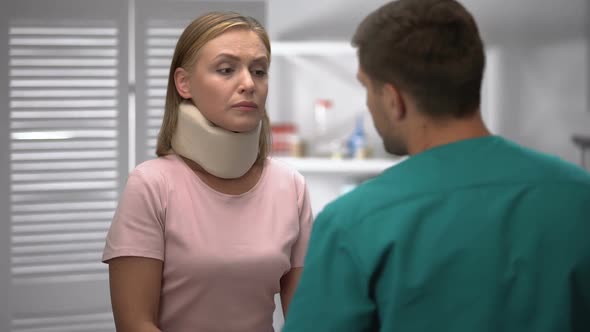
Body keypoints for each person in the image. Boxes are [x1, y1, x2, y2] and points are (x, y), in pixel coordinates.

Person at [282, 0, 590, 331]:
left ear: (392, 99)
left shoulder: (353, 223)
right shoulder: (579, 197)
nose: (368, 104)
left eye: (366, 88)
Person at [102, 12, 313, 332]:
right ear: (184, 83)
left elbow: (306, 320)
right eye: (226, 70)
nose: (248, 84)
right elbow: (135, 324)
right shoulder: (152, 184)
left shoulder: (290, 186)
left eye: (259, 71)